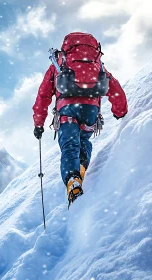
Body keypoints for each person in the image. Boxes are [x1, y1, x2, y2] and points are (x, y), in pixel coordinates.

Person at [32, 32, 128, 208]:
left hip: (67, 109)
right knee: (83, 141)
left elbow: (43, 95)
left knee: (69, 146)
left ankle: (72, 180)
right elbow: (115, 88)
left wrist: (39, 123)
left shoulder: (59, 62)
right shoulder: (97, 64)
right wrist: (120, 111)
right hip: (90, 111)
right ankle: (80, 172)